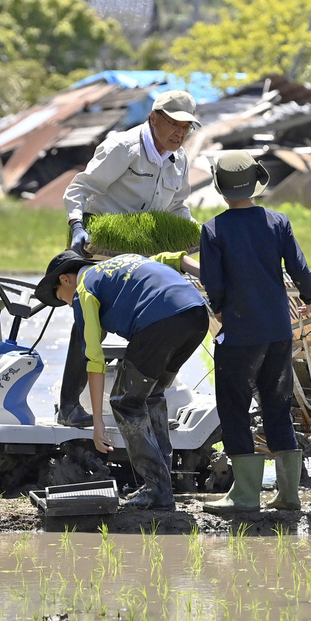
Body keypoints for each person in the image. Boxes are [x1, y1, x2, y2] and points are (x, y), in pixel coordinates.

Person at [58, 90, 201, 428]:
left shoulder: (178, 161)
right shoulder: (123, 148)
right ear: (154, 118)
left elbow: (178, 209)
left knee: (154, 322)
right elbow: (79, 189)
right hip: (99, 247)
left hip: (143, 255)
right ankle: (69, 407)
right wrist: (77, 225)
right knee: (89, 324)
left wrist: (201, 236)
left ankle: (145, 401)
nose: (180, 134)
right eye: (174, 125)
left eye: (187, 128)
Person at [35, 249, 208, 511]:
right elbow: (172, 262)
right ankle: (161, 486)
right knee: (152, 395)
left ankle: (157, 490)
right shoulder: (120, 263)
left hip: (160, 321)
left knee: (125, 402)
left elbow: (94, 360)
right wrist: (214, 281)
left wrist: (97, 424)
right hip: (196, 315)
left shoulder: (84, 290)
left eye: (63, 299)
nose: (69, 305)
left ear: (65, 279)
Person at [199, 150, 311, 514]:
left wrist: (218, 305)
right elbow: (299, 269)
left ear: (220, 187)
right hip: (279, 332)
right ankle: (288, 495)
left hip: (240, 334)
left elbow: (212, 283)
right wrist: (309, 295)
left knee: (234, 407)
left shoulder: (214, 229)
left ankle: (245, 496)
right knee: (277, 407)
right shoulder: (278, 222)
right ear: (256, 183)